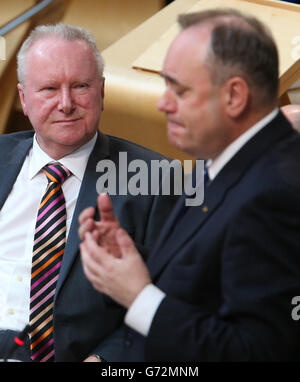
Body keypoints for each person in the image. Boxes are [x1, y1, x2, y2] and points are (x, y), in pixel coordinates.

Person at [80, 9, 300, 361]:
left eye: (179, 90)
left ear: (234, 97)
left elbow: (254, 350)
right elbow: (213, 275)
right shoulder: (219, 157)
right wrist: (130, 260)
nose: (162, 104)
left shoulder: (276, 193)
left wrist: (138, 296)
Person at [0, 23, 180, 362]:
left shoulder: (159, 179)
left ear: (101, 91)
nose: (66, 104)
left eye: (80, 86)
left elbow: (177, 303)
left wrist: (105, 361)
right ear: (24, 99)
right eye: (49, 89)